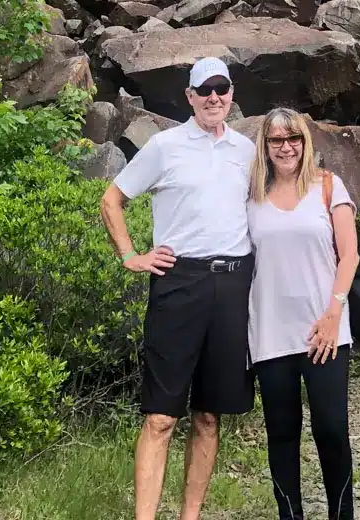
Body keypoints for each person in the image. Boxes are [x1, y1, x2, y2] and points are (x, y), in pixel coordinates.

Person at [100, 57, 255, 520]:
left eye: (221, 88)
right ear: (189, 96)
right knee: (162, 416)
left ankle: (191, 515)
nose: (213, 97)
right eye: (203, 89)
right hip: (178, 283)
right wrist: (131, 256)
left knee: (209, 416)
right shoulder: (164, 147)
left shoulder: (247, 151)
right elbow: (112, 199)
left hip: (232, 285)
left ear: (231, 94)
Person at [248, 108, 360, 520]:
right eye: (276, 140)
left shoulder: (329, 186)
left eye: (292, 138)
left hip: (325, 330)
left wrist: (334, 313)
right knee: (281, 435)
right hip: (270, 334)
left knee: (331, 429)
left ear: (305, 141)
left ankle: (341, 515)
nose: (286, 147)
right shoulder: (251, 197)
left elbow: (348, 255)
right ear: (265, 146)